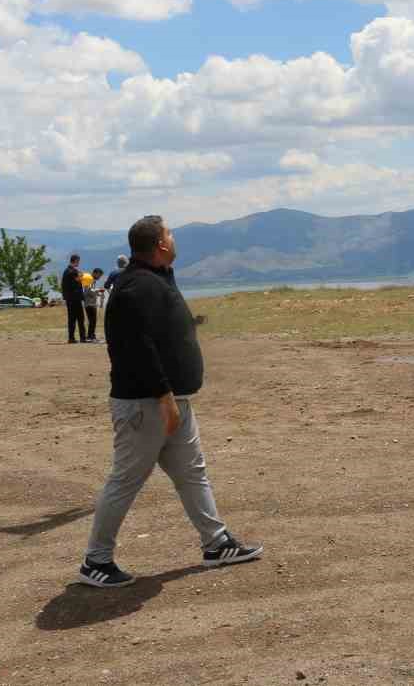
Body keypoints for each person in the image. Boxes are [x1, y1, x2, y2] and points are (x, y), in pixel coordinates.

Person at [77, 215, 262, 588]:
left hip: (172, 400)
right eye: (170, 234)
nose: (174, 239)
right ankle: (95, 562)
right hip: (148, 403)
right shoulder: (135, 287)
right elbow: (135, 350)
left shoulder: (157, 278)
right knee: (127, 479)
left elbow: (162, 330)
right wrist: (163, 396)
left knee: (192, 471)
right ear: (160, 245)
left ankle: (216, 543)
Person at [60, 254, 85, 344]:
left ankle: (72, 338)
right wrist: (81, 276)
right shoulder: (72, 271)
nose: (79, 263)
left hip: (70, 299)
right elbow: (78, 279)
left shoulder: (67, 271)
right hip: (74, 299)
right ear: (75, 261)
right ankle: (82, 337)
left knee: (72, 319)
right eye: (78, 261)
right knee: (80, 318)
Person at [82, 268, 104, 342]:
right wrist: (99, 290)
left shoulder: (92, 280)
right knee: (92, 321)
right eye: (99, 275)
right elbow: (88, 290)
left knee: (92, 321)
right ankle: (91, 337)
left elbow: (91, 290)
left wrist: (99, 293)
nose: (99, 277)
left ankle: (91, 336)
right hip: (89, 303)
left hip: (91, 303)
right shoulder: (89, 280)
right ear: (95, 273)